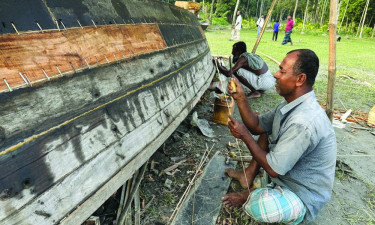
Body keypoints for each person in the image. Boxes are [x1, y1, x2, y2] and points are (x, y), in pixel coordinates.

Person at [222, 49, 337, 224]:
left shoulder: (303, 122)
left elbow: (273, 169)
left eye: (282, 71)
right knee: (267, 130)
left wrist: (244, 135)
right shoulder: (290, 105)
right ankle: (255, 182)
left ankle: (252, 194)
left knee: (262, 208)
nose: (275, 75)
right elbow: (257, 125)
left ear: (300, 79)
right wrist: (240, 98)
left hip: (302, 192)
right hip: (283, 178)